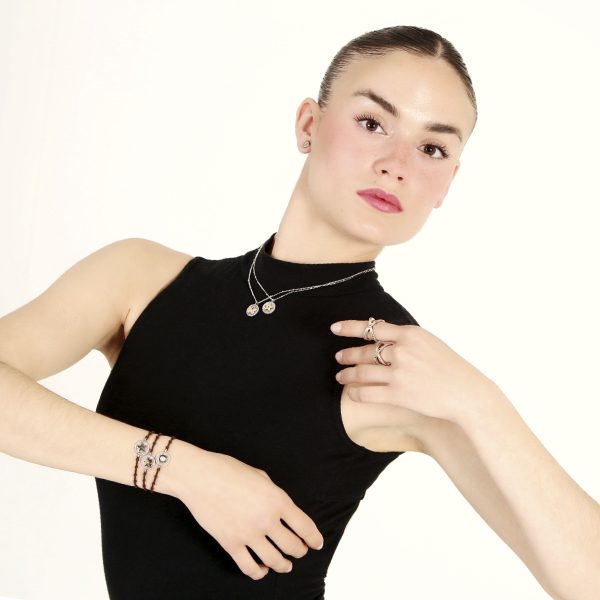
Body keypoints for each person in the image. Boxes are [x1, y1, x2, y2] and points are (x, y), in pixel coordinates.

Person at [1, 24, 598, 600]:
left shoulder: (393, 364)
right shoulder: (140, 278)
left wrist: (482, 403)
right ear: (309, 124)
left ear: (447, 183)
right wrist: (187, 472)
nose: (397, 163)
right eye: (372, 123)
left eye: (432, 148)